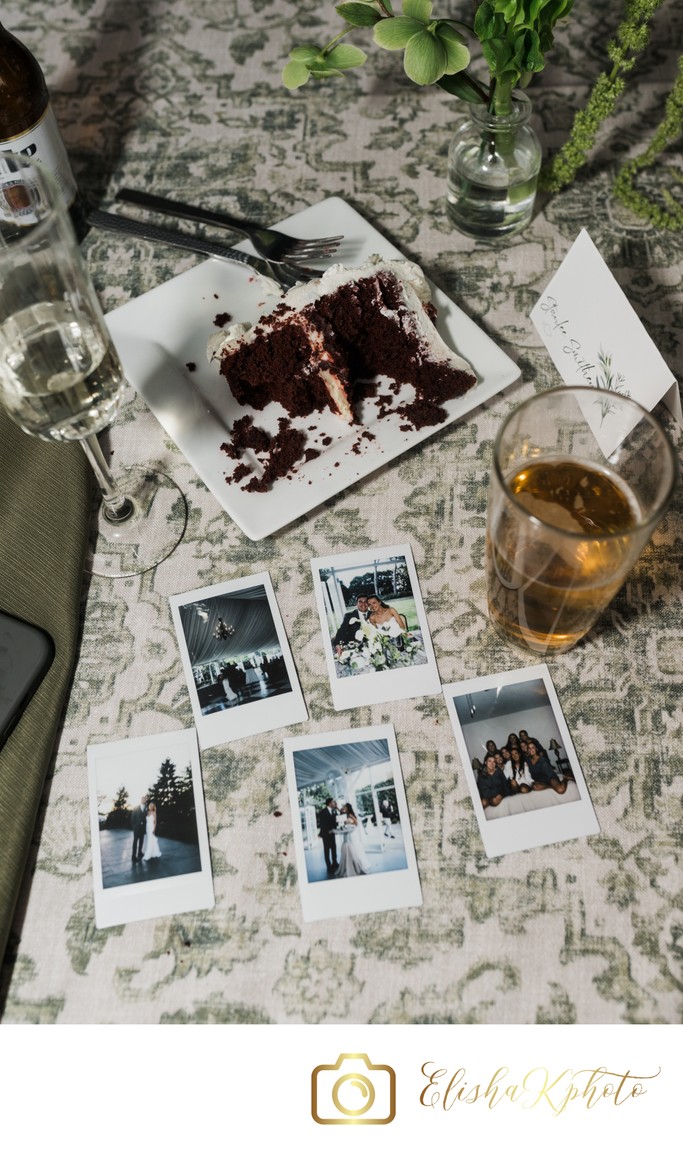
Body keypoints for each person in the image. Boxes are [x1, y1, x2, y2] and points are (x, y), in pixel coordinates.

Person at [336, 803, 368, 877]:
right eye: (343, 807)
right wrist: (337, 807)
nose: (343, 808)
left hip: (352, 833)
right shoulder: (345, 814)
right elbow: (340, 812)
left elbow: (356, 823)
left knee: (353, 849)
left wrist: (350, 825)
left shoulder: (350, 814)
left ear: (347, 808)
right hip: (347, 832)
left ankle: (355, 865)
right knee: (349, 850)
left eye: (344, 807)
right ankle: (349, 865)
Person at [319, 797, 339, 876]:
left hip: (332, 834)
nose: (334, 803)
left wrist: (335, 830)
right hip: (326, 835)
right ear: (330, 803)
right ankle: (329, 867)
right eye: (333, 802)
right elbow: (322, 824)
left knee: (334, 849)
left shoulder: (334, 811)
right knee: (327, 851)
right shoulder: (322, 812)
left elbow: (336, 821)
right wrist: (328, 831)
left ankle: (335, 863)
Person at [130, 795, 147, 864]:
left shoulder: (146, 807)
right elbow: (132, 817)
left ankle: (140, 853)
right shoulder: (136, 807)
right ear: (140, 800)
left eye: (145, 799)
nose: (144, 800)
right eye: (142, 799)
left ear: (146, 800)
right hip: (136, 828)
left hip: (143, 828)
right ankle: (133, 856)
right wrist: (134, 826)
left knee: (141, 841)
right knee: (135, 842)